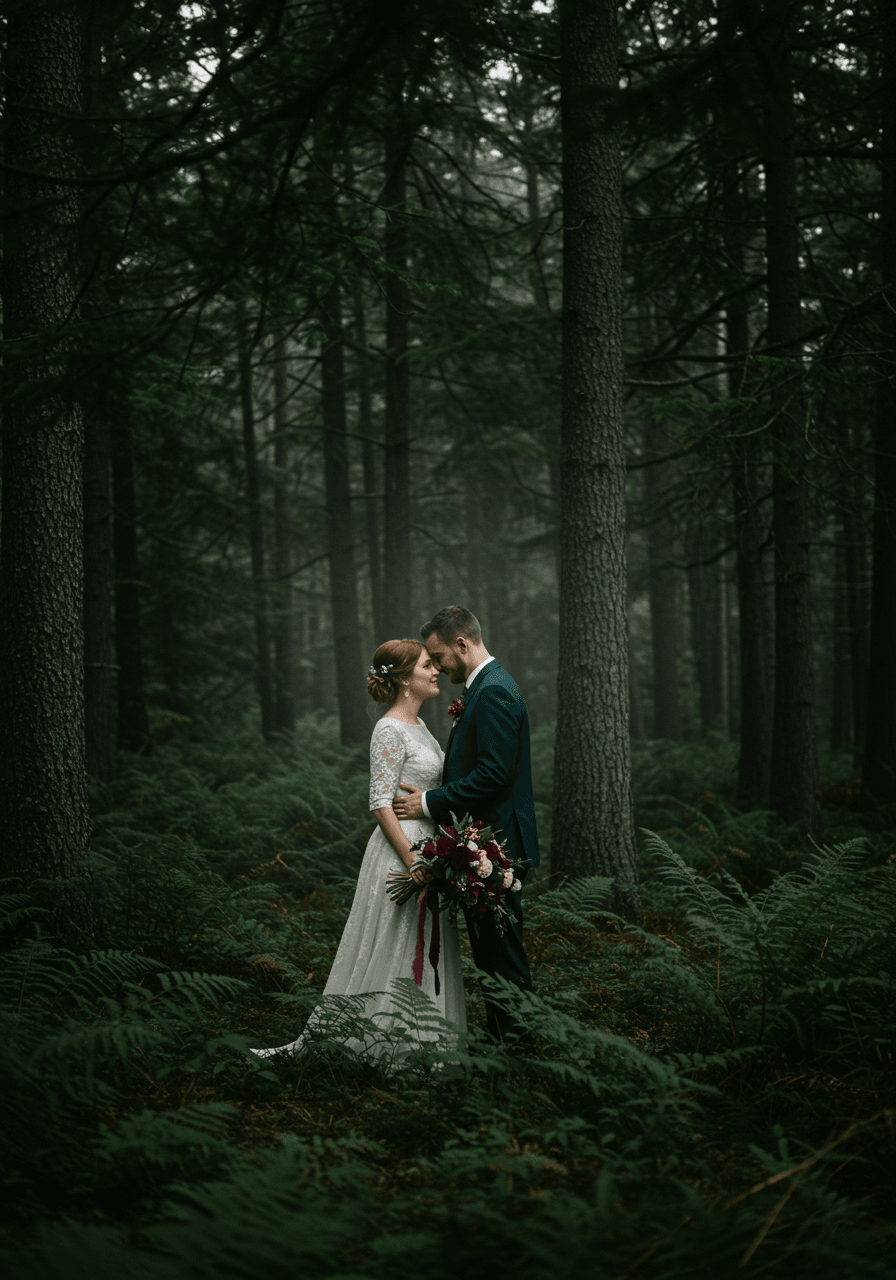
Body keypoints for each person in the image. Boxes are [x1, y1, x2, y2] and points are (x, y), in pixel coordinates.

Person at [252, 638, 466, 1063]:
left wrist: (432, 810)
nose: (435, 669)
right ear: (406, 680)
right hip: (400, 850)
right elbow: (379, 801)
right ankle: (374, 1044)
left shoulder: (420, 727)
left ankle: (421, 1046)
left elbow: (423, 785)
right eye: (427, 665)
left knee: (421, 948)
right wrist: (412, 858)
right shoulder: (388, 729)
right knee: (392, 941)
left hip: (429, 845)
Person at [393, 605, 539, 1044]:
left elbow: (493, 773)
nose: (436, 666)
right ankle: (506, 1041)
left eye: (438, 657)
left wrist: (430, 803)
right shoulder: (487, 687)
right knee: (493, 952)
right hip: (486, 841)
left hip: (497, 843)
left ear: (462, 643)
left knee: (501, 952)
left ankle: (518, 1048)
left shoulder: (493, 691)